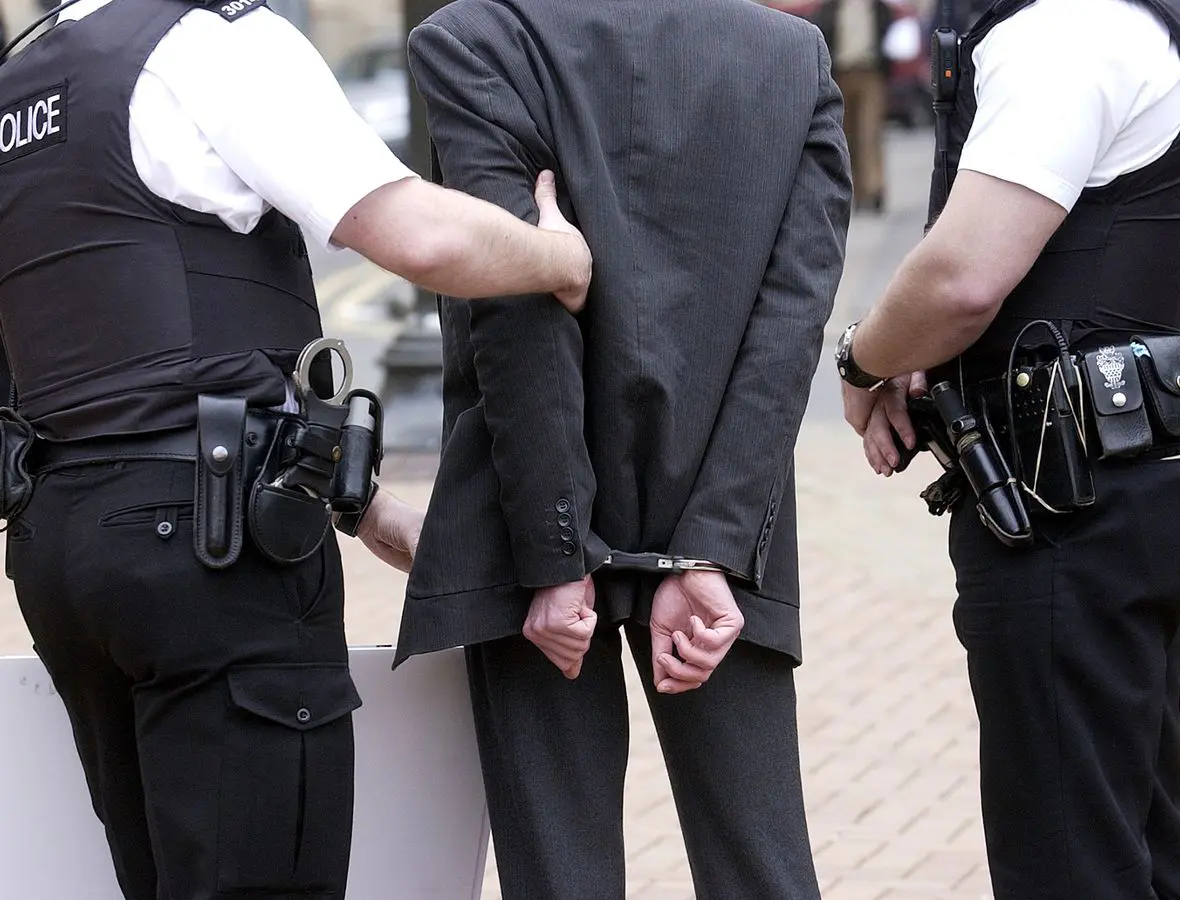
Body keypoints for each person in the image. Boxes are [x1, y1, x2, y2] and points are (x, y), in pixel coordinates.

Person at [0, 0, 590, 898]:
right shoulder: (211, 43)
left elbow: (112, 343)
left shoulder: (24, 83)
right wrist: (562, 261)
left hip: (63, 544)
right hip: (211, 552)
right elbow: (418, 234)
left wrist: (359, 505)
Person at [393, 1, 852, 897]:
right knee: (760, 869)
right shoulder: (791, 57)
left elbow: (516, 305)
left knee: (561, 877)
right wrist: (716, 543)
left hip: (527, 509)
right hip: (720, 502)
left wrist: (555, 553)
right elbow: (790, 325)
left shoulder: (474, 38)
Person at [836, 0, 1180, 896]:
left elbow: (963, 279)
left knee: (1070, 860)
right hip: (1114, 486)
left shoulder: (1064, 30)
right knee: (1138, 843)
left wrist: (861, 356)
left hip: (1063, 505)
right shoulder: (1137, 23)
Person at [808, 0, 892, 212]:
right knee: (847, 136)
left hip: (870, 74)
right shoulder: (832, 8)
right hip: (842, 76)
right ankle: (858, 191)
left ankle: (875, 188)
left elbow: (889, 35)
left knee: (869, 133)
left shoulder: (877, 8)